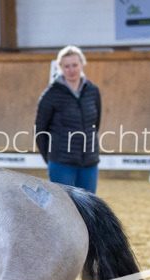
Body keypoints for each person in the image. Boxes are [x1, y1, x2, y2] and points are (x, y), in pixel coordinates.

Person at [34, 45, 102, 193]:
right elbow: (40, 130)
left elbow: (95, 125)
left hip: (89, 164)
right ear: (60, 67)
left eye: (75, 65)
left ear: (82, 64)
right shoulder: (51, 94)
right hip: (61, 164)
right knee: (65, 210)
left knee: (89, 212)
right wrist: (52, 158)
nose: (71, 70)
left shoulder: (93, 91)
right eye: (67, 66)